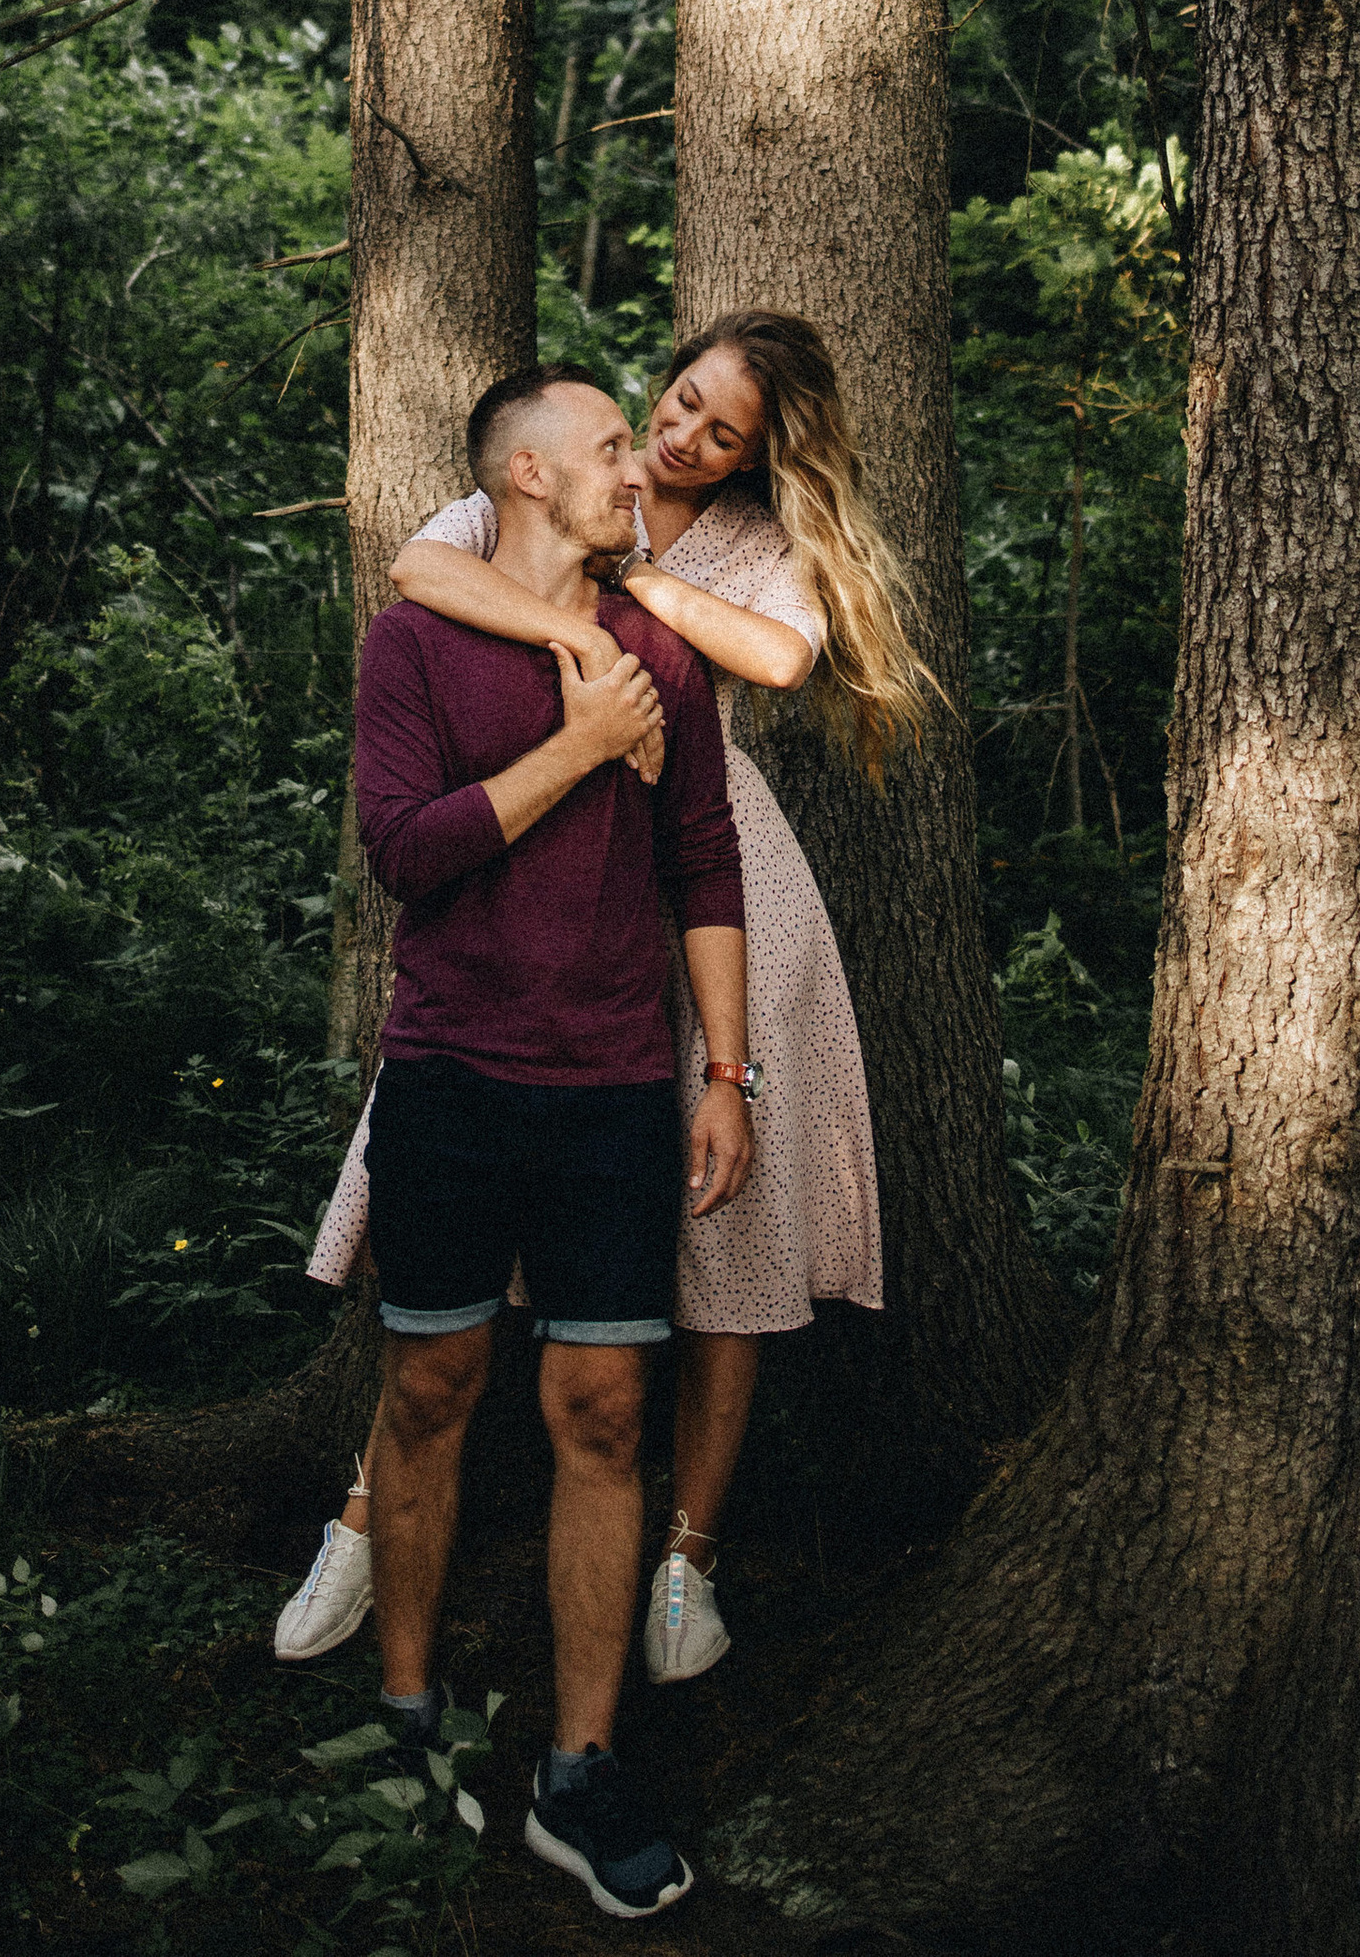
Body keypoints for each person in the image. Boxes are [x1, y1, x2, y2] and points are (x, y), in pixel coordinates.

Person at [277, 311, 932, 1690]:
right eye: (679, 402)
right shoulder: (550, 474)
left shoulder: (732, 536)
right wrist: (585, 649)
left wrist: (632, 590)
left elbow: (780, 658)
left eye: (720, 432)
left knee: (728, 1218)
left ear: (756, 457)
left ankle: (688, 1556)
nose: (681, 439)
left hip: (709, 852)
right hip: (560, 821)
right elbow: (417, 571)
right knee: (455, 1164)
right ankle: (369, 1508)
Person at [306, 361, 752, 1922]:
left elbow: (705, 863)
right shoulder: (416, 643)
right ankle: (406, 1711)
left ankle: (580, 1770)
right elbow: (405, 852)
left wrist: (728, 1076)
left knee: (605, 1415)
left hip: (616, 1091)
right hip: (449, 1082)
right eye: (613, 445)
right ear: (527, 475)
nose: (640, 469)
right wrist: (575, 745)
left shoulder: (660, 656)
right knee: (430, 1390)